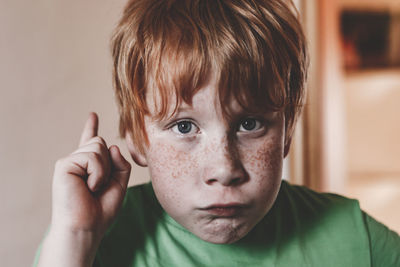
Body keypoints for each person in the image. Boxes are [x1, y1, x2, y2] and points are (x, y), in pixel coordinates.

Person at [34, 0, 400, 266]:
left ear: (287, 131)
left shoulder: (357, 243)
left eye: (249, 124)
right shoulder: (86, 245)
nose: (224, 169)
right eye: (183, 126)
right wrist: (77, 237)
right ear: (136, 137)